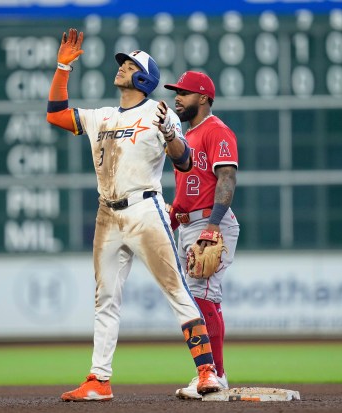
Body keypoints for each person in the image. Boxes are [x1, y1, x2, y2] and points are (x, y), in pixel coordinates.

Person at [46, 29, 222, 402]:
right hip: (107, 215)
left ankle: (207, 372)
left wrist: (169, 134)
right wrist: (63, 67)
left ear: (144, 77)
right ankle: (99, 380)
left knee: (176, 289)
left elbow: (186, 161)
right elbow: (56, 115)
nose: (122, 68)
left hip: (144, 210)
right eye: (123, 63)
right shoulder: (103, 116)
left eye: (129, 65)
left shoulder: (158, 111)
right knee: (105, 298)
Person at [162, 71, 240, 400]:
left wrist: (213, 225)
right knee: (201, 298)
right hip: (190, 223)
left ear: (204, 98)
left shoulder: (216, 131)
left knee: (202, 295)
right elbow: (187, 191)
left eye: (185, 93)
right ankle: (212, 372)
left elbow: (226, 179)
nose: (178, 98)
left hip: (211, 222)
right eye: (177, 92)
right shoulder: (186, 137)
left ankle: (215, 374)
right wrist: (174, 217)